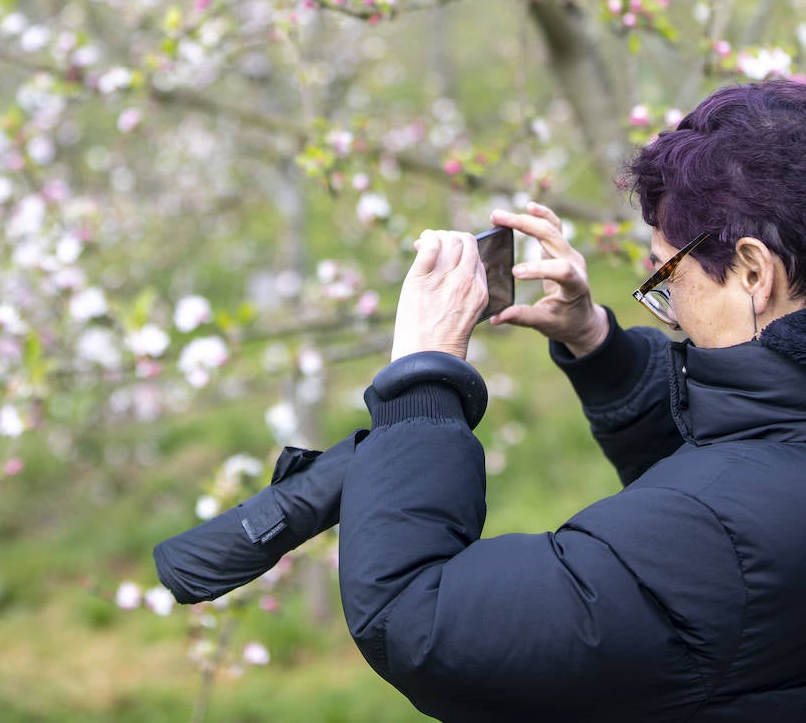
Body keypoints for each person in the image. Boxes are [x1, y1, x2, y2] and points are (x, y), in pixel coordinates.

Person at [154, 79, 806, 721]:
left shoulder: (713, 538)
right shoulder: (762, 492)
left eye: (669, 272)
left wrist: (422, 373)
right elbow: (736, 463)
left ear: (753, 272)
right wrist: (597, 344)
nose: (665, 304)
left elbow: (418, 621)